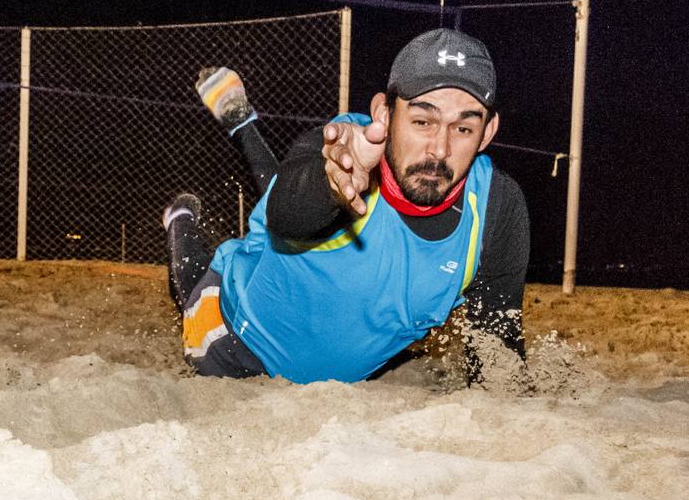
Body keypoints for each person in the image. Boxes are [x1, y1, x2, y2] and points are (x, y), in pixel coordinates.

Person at [165, 28, 529, 384]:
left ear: (488, 132)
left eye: (463, 129)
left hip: (300, 263)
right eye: (422, 121)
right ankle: (179, 217)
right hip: (232, 344)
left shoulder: (496, 206)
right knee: (195, 287)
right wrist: (330, 187)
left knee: (293, 224)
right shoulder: (342, 149)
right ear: (383, 114)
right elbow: (287, 214)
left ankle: (240, 121)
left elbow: (498, 349)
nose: (439, 149)